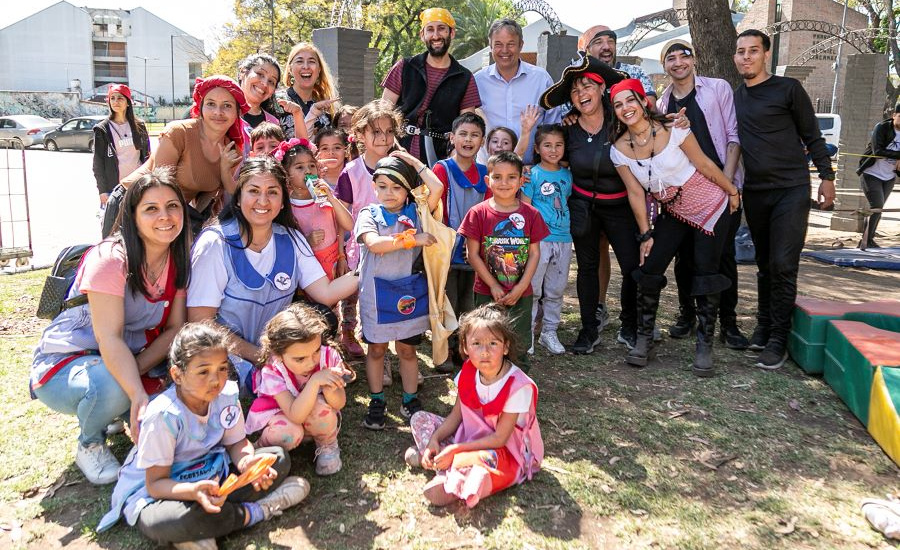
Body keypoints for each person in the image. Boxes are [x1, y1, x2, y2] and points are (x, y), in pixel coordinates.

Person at [31, 168, 190, 485]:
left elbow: (176, 329)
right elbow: (109, 338)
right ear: (132, 216)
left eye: (173, 206)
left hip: (123, 357)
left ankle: (116, 408)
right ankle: (89, 442)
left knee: (182, 388)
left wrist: (139, 374)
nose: (165, 216)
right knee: (115, 387)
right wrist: (136, 391)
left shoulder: (179, 256)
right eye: (151, 209)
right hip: (69, 361)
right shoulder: (110, 259)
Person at [97, 322, 310, 549]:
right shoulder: (163, 416)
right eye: (203, 371)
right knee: (169, 519)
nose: (215, 380)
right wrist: (193, 492)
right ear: (177, 375)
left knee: (277, 457)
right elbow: (156, 485)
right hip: (167, 492)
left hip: (213, 473)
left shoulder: (226, 394)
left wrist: (248, 462)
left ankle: (205, 529)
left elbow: (237, 443)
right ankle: (257, 511)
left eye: (222, 368)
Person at [186, 156, 359, 395]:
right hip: (228, 352)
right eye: (254, 191)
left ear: (282, 200)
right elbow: (200, 322)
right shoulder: (216, 243)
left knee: (323, 317)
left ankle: (298, 372)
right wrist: (259, 356)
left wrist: (368, 266)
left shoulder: (291, 237)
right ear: (238, 198)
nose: (263, 201)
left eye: (272, 192)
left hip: (275, 352)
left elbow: (326, 293)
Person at [609, 79, 740, 377]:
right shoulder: (618, 150)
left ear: (643, 102)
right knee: (650, 267)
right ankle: (644, 339)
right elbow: (635, 193)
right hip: (674, 210)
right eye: (618, 105)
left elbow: (705, 164)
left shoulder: (674, 129)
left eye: (630, 101)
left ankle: (704, 345)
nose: (625, 108)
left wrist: (731, 190)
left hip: (709, 205)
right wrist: (645, 234)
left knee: (706, 272)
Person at [733, 29, 835, 370]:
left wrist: (827, 177)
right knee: (763, 264)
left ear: (765, 54)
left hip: (791, 189)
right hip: (756, 192)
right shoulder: (735, 97)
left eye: (753, 51)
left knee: (783, 264)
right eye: (740, 51)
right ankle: (763, 325)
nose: (746, 56)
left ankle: (779, 339)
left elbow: (813, 135)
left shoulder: (788, 89)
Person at [538, 56, 638, 356]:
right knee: (587, 269)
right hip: (583, 208)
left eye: (587, 86)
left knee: (632, 268)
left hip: (621, 206)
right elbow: (554, 159)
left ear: (602, 87)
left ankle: (630, 326)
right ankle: (588, 328)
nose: (581, 93)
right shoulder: (567, 130)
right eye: (574, 90)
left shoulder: (621, 122)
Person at [656, 39, 749, 350]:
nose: (679, 61)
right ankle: (688, 314)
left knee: (722, 257)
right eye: (671, 57)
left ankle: (729, 322)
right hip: (683, 193)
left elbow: (733, 137)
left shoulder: (717, 89)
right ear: (664, 65)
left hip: (721, 186)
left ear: (694, 60)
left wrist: (728, 183)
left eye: (685, 55)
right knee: (685, 257)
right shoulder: (662, 105)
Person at [404, 304, 542, 508]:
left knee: (483, 467)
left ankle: (451, 477)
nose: (484, 352)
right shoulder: (468, 372)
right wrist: (435, 439)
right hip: (467, 437)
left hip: (502, 451)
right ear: (465, 348)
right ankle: (441, 459)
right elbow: (455, 416)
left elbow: (499, 439)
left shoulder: (517, 386)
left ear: (505, 347)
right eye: (476, 343)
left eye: (493, 343)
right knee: (419, 419)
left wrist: (455, 449)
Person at [356, 153, 443, 430]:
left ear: (408, 189)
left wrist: (413, 161)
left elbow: (437, 188)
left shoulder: (416, 213)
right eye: (382, 186)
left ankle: (410, 399)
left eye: (396, 187)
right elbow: (374, 244)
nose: (389, 193)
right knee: (377, 350)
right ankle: (377, 400)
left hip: (407, 293)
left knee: (407, 350)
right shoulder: (368, 214)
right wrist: (411, 239)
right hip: (375, 295)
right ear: (374, 187)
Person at [111, 76, 248, 237]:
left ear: (237, 112)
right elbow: (157, 187)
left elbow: (208, 198)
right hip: (133, 204)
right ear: (201, 107)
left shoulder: (231, 150)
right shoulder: (179, 132)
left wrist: (224, 170)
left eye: (227, 105)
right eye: (211, 104)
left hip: (172, 217)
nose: (218, 112)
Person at [458, 151, 550, 372]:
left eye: (511, 177)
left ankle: (518, 386)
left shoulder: (531, 214)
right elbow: (473, 254)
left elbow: (535, 253)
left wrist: (520, 287)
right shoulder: (477, 213)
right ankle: (485, 381)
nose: (504, 183)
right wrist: (493, 285)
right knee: (485, 338)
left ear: (521, 181)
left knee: (518, 341)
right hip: (487, 291)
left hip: (521, 293)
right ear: (487, 180)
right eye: (497, 177)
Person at [335, 100, 405, 378]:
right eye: (376, 132)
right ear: (361, 135)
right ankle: (349, 338)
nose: (383, 138)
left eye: (389, 132)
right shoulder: (350, 172)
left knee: (384, 304)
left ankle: (386, 356)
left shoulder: (401, 166)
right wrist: (340, 252)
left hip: (394, 248)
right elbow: (340, 215)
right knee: (353, 301)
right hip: (358, 251)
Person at [245, 304, 347, 476]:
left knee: (321, 409)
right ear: (278, 354)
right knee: (288, 432)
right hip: (285, 416)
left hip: (315, 418)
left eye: (315, 351)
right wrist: (315, 382)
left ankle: (327, 445)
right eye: (300, 359)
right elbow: (295, 414)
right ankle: (263, 448)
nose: (311, 362)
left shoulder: (328, 356)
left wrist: (329, 386)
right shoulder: (273, 370)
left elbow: (340, 403)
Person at [381, 8, 481, 165]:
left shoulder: (465, 77)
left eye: (441, 29)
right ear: (422, 35)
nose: (436, 36)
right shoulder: (404, 66)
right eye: (430, 30)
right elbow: (383, 113)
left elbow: (466, 124)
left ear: (451, 33)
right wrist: (392, 146)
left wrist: (456, 155)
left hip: (441, 155)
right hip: (398, 148)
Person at [432, 112, 488, 372]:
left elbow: (490, 211)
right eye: (463, 134)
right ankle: (444, 351)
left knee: (470, 302)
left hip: (476, 249)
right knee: (447, 302)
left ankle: (465, 349)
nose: (468, 140)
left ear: (482, 141)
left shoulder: (486, 174)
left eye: (475, 135)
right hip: (447, 248)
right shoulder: (442, 169)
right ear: (452, 138)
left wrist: (476, 243)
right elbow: (436, 210)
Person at [474, 18, 559, 164]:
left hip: (530, 170)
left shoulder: (541, 79)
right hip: (489, 171)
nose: (505, 50)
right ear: (490, 46)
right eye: (498, 44)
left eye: (511, 44)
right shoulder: (477, 81)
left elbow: (553, 125)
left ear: (521, 45)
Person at [521, 124, 572, 356]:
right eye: (547, 145)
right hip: (538, 241)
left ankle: (549, 332)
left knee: (556, 289)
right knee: (533, 289)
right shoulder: (532, 175)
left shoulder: (568, 174)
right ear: (538, 148)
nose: (553, 150)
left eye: (558, 145)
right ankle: (527, 333)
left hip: (563, 239)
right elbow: (525, 207)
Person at [275, 138, 353, 281]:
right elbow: (285, 247)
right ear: (286, 174)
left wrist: (341, 256)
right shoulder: (286, 206)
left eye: (311, 166)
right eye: (299, 167)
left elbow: (348, 225)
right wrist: (307, 241)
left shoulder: (323, 195)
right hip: (309, 271)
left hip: (334, 262)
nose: (307, 171)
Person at [94, 84, 151, 238]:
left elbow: (148, 157)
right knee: (113, 230)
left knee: (139, 227)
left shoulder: (139, 126)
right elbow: (98, 164)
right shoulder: (102, 129)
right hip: (115, 187)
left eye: (120, 98)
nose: (115, 101)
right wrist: (102, 191)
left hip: (139, 186)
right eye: (112, 98)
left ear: (128, 102)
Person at [857, 103, 900, 248]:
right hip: (871, 173)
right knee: (877, 205)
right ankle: (865, 240)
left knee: (878, 209)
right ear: (894, 115)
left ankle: (868, 239)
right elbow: (878, 151)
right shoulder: (882, 127)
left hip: (889, 176)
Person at [579, 25, 656, 105]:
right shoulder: (578, 80)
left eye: (610, 41)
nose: (606, 47)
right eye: (598, 42)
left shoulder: (635, 73)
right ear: (587, 50)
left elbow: (651, 109)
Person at [276, 43, 339, 140]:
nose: (306, 66)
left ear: (319, 70)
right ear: (290, 69)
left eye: (311, 61)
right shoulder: (277, 102)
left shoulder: (326, 108)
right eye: (299, 61)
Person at [237, 54, 284, 155]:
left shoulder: (273, 122)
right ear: (243, 72)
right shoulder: (225, 115)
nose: (265, 83)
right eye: (260, 74)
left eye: (271, 81)